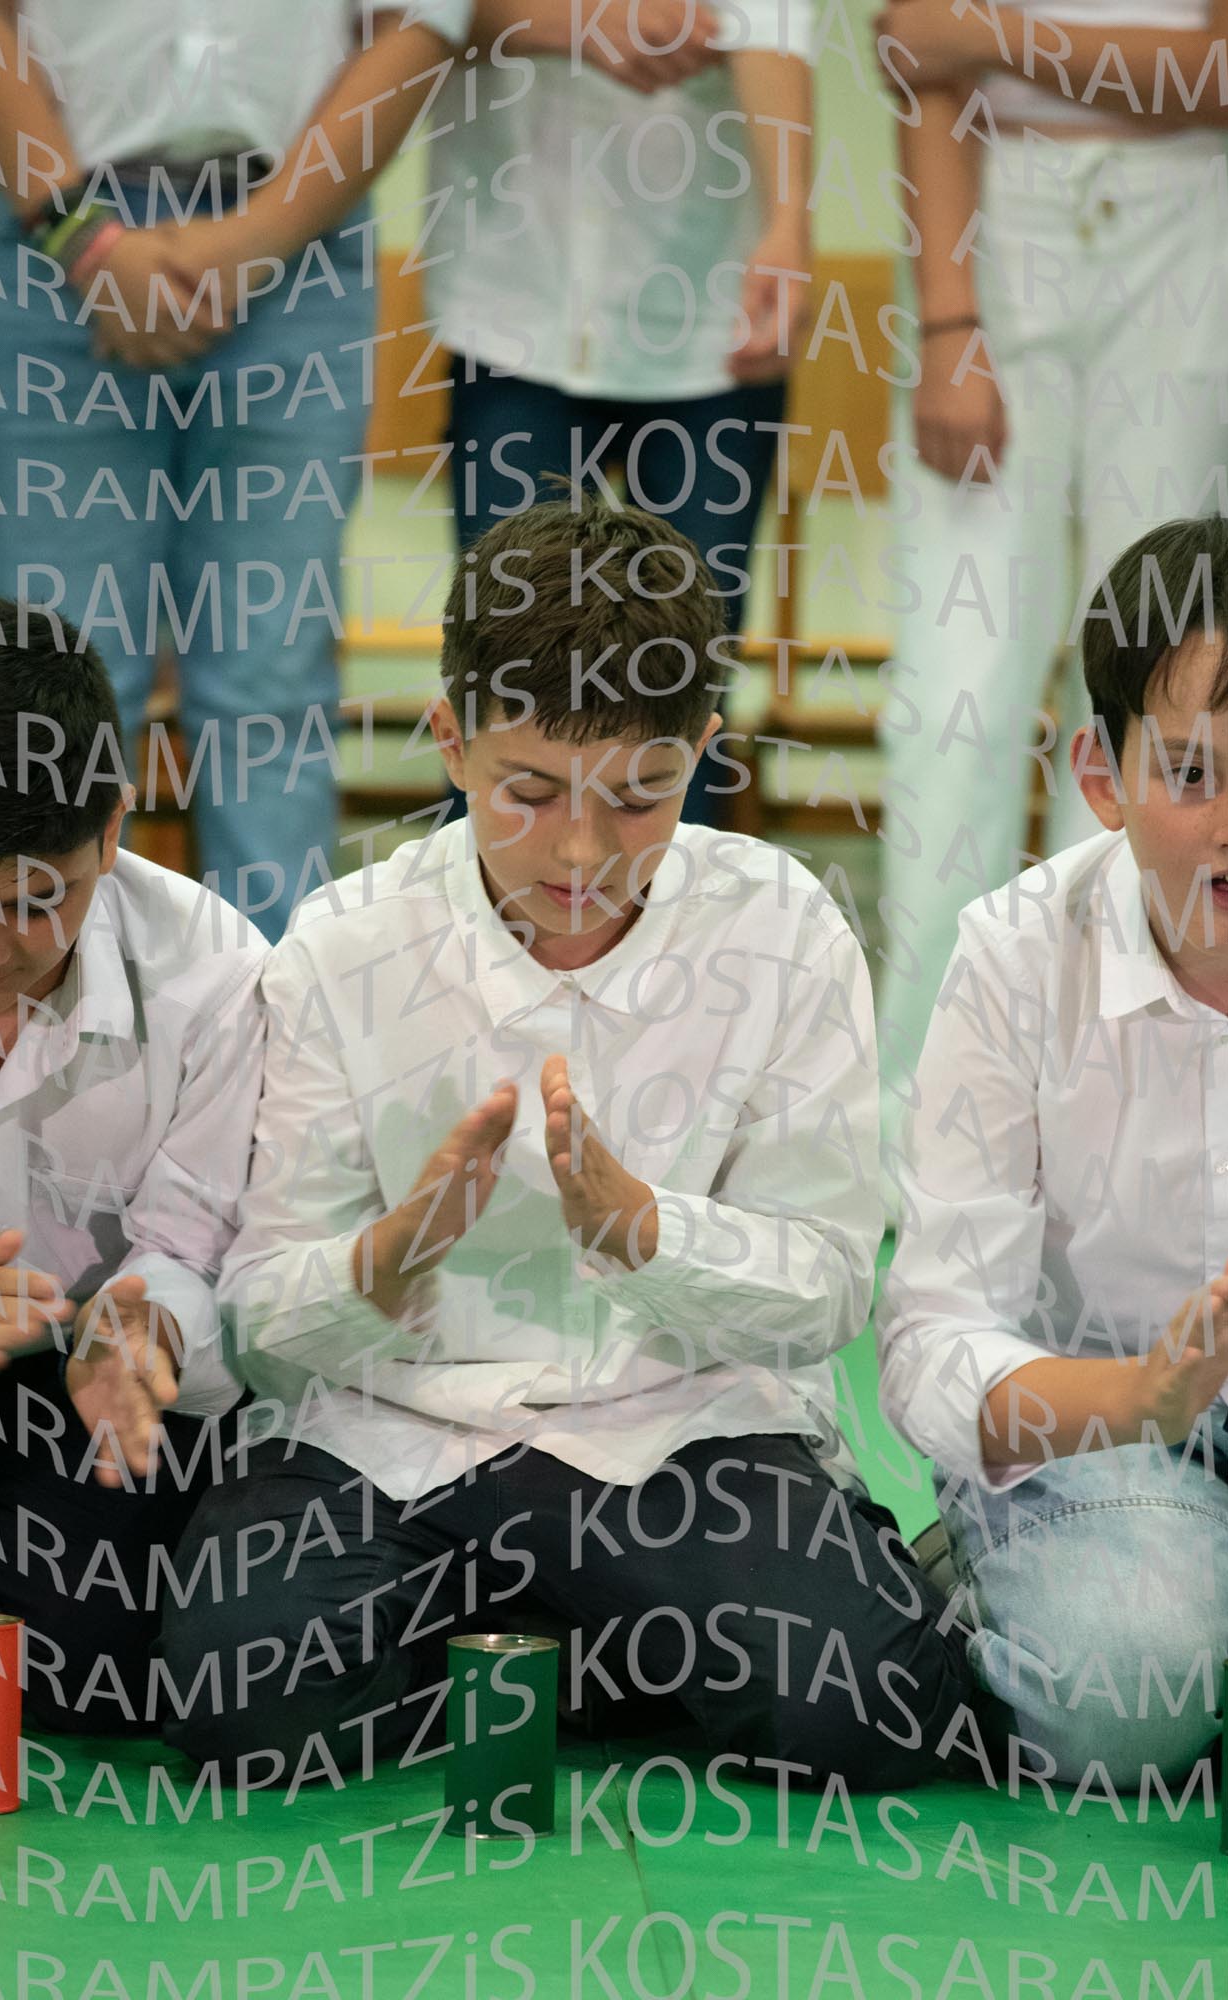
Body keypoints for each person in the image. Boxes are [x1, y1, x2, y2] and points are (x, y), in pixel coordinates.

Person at [159, 494, 974, 1792]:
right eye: (528, 792)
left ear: (702, 752)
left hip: (680, 1427)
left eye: (641, 795)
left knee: (861, 1709)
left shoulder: (781, 925)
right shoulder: (343, 944)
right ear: (449, 739)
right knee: (231, 1695)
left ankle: (534, 1652)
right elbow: (259, 1321)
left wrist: (645, 1234)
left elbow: (829, 1289)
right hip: (395, 1425)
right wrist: (380, 1264)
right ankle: (614, 1657)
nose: (582, 851)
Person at [0, 0, 722, 941]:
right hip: (49, 233)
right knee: (58, 679)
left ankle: (274, 1003)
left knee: (271, 682)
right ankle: (54, 1004)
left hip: (300, 239)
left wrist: (249, 243)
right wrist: (85, 238)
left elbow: (418, 17)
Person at [878, 512, 1228, 1792]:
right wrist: (1132, 1400)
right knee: (1122, 1705)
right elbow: (934, 1331)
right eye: (1193, 773)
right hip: (1095, 1437)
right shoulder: (1013, 955)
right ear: (1101, 774)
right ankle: (1018, 1570)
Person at [869, 0, 1228, 1167]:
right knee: (954, 703)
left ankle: (1106, 1113)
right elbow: (916, 53)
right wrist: (950, 323)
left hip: (1187, 227)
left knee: (1158, 698)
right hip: (988, 226)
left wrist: (994, 36)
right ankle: (914, 1122)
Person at [0, 599, 267, 1735]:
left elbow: (197, 1244)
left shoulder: (215, 972)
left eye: (37, 898)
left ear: (115, 824)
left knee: (84, 1668)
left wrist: (148, 1325)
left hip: (93, 1393)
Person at [430, 0, 817, 830]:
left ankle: (679, 907)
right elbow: (404, 22)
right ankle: (480, 906)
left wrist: (789, 222)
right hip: (512, 304)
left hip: (708, 312)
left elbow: (772, 25)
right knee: (502, 660)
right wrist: (570, 22)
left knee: (686, 667)